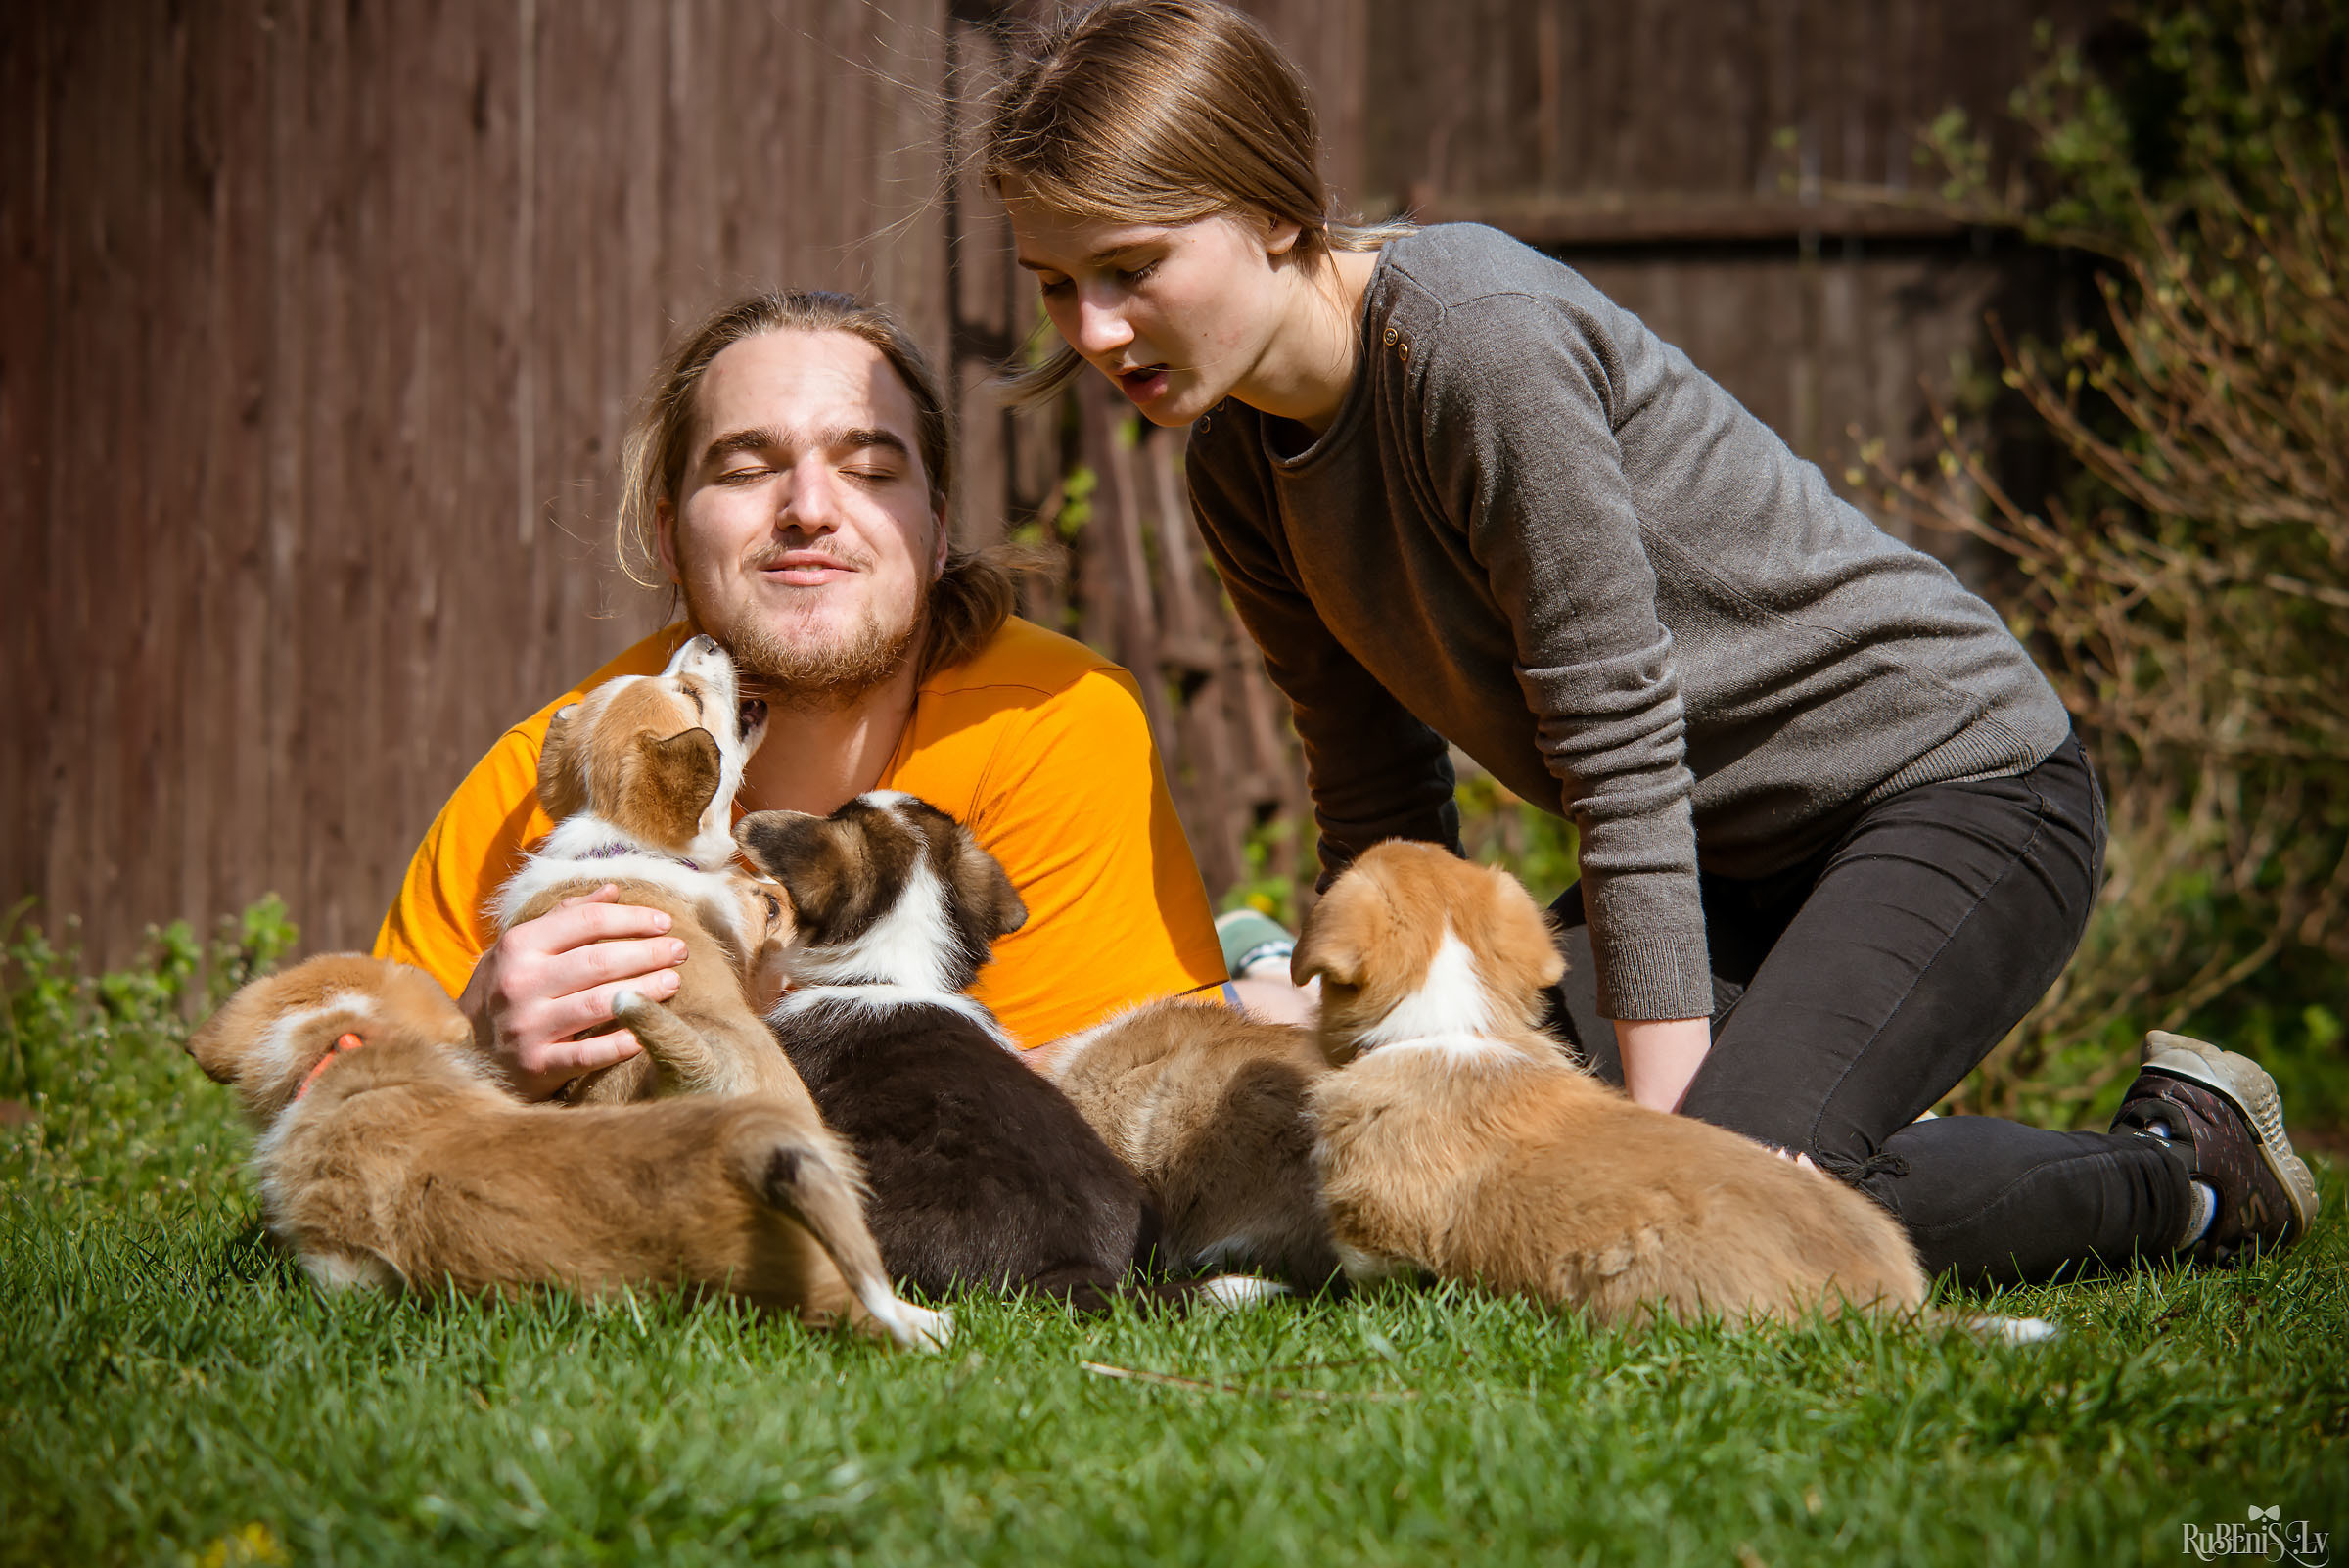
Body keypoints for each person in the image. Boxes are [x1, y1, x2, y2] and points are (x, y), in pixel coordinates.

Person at [978, 0, 2321, 1285]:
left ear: (1276, 211)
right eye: (1056, 286)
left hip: (1954, 794)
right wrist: (1362, 1023)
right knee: (1477, 1156)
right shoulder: (1237, 462)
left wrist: (1675, 1145)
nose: (1094, 331)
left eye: (1131, 268)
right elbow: (1377, 785)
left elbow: (1621, 740)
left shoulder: (1470, 337)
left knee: (1723, 1200)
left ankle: (2185, 1167)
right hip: (1725, 863)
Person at [375, 289, 1231, 1099]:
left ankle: (1256, 961)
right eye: (747, 469)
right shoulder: (563, 773)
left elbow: (1104, 1104)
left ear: (935, 534)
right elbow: (335, 1102)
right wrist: (472, 1053)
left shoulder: (1050, 716)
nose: (810, 509)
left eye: (867, 466)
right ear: (670, 536)